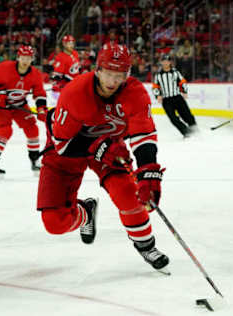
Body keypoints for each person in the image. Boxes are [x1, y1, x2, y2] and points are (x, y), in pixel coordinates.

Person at [37, 44, 169, 272]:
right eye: (108, 73)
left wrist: (149, 172)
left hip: (110, 149)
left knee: (129, 194)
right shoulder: (75, 92)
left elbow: (143, 135)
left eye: (119, 75)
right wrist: (97, 147)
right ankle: (85, 212)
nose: (112, 81)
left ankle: (146, 245)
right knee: (54, 223)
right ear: (97, 70)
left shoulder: (135, 93)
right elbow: (62, 145)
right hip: (68, 149)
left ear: (127, 75)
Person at [0, 45, 47, 176]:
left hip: (19, 104)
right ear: (18, 57)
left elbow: (39, 94)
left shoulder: (35, 74)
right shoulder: (5, 68)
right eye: (23, 57)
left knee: (32, 129)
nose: (25, 61)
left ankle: (35, 161)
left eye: (28, 58)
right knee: (5, 131)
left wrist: (41, 109)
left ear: (32, 59)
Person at [152, 54, 198, 137]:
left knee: (186, 114)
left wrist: (184, 91)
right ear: (161, 62)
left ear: (170, 62)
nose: (165, 63)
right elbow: (155, 86)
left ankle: (195, 129)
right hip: (166, 100)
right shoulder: (158, 75)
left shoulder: (175, 72)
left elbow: (182, 82)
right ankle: (186, 132)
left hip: (177, 97)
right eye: (164, 61)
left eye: (167, 61)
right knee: (173, 118)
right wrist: (158, 95)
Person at [51, 35, 80, 101]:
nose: (72, 45)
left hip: (74, 87)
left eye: (72, 43)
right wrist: (73, 81)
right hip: (62, 90)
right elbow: (57, 76)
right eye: (69, 43)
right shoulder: (60, 57)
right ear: (64, 44)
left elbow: (76, 70)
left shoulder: (75, 54)